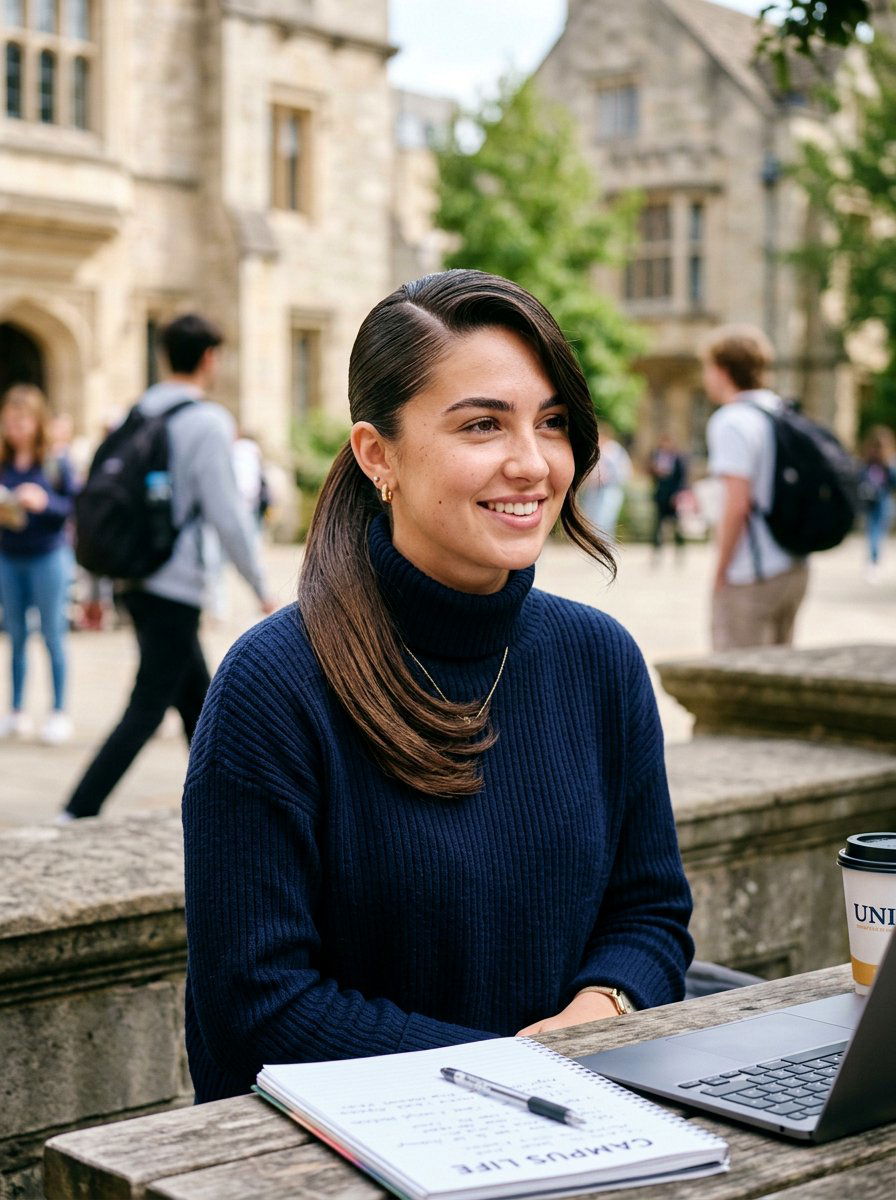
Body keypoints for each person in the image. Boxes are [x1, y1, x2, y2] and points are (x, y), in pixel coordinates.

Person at [182, 270, 694, 1103]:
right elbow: (260, 1004)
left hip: (581, 1127)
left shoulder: (600, 660)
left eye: (552, 422)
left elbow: (650, 913)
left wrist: (602, 1005)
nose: (532, 463)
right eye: (483, 425)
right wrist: (514, 1072)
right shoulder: (273, 686)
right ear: (375, 453)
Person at [61, 314, 275, 820]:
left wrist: (96, 586)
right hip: (174, 581)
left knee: (197, 703)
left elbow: (102, 502)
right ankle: (78, 807)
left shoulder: (136, 412)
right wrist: (262, 585)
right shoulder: (206, 421)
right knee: (150, 704)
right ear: (208, 359)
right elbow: (227, 512)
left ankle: (228, 804)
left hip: (135, 575)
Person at [703, 325, 809, 651]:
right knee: (778, 673)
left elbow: (737, 504)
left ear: (721, 371)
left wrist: (720, 571)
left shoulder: (732, 420)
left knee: (734, 678)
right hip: (793, 564)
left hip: (752, 572)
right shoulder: (780, 410)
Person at [0, 384, 77, 743]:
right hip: (10, 555)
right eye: (9, 421)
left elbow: (72, 508)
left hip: (48, 555)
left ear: (36, 421)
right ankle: (15, 710)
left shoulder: (55, 462)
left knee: (52, 634)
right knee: (15, 635)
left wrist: (43, 502)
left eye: (21, 421)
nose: (14, 428)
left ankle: (58, 711)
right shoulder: (3, 462)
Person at [579, 423, 632, 537]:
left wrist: (608, 478)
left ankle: (605, 548)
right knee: (592, 520)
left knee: (605, 520)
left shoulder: (614, 450)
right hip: (594, 490)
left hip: (610, 490)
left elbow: (624, 472)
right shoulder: (596, 450)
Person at [858, 426, 896, 582]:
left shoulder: (889, 464)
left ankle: (875, 560)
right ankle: (873, 561)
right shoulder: (867, 463)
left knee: (879, 533)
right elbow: (859, 478)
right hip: (870, 501)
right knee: (873, 532)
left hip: (884, 501)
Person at [649, 433, 687, 560]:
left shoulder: (678, 458)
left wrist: (677, 495)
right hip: (660, 494)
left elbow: (682, 478)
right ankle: (657, 551)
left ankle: (679, 550)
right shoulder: (656, 456)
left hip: (673, 495)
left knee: (676, 525)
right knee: (657, 525)